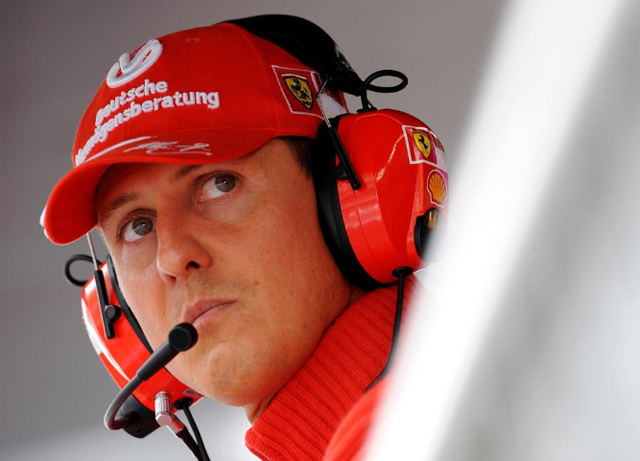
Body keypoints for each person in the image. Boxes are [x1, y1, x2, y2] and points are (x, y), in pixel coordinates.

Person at [41, 15, 445, 461]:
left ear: (346, 196)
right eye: (139, 226)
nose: (173, 255)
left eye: (219, 184)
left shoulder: (433, 428)